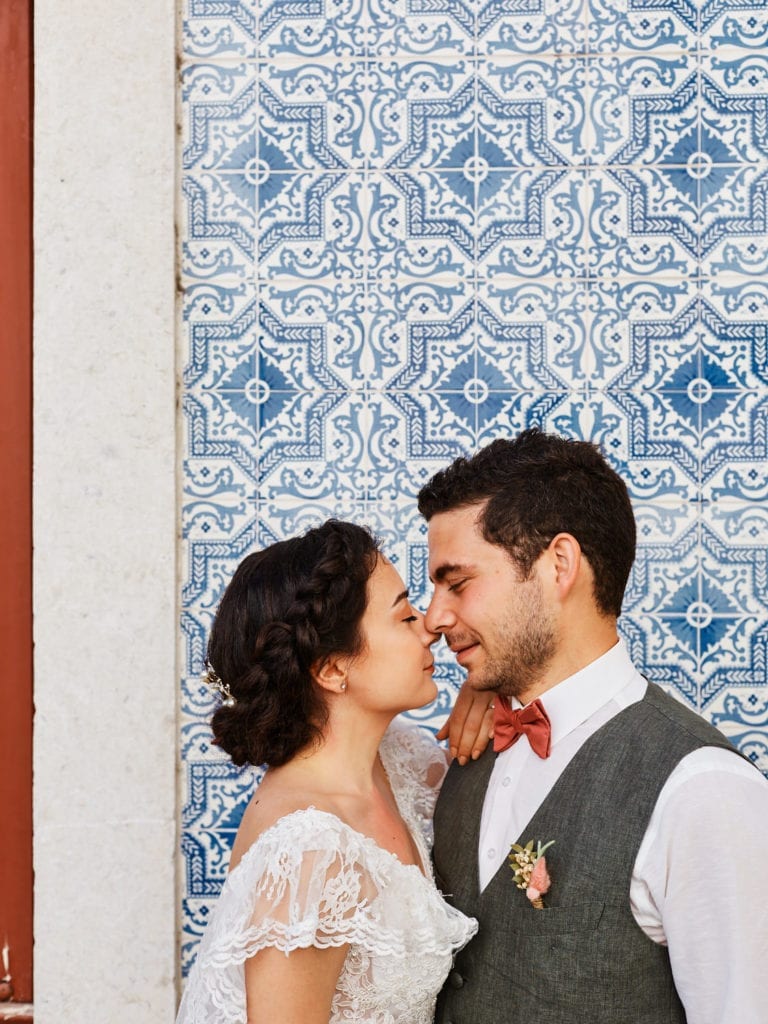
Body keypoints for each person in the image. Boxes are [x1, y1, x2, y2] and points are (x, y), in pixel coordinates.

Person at [418, 428, 768, 1024]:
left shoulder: (702, 789)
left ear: (559, 564)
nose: (435, 617)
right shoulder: (471, 749)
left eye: (459, 582)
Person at [175, 519, 491, 1024]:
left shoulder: (399, 764)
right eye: (403, 616)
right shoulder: (310, 854)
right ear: (332, 669)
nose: (429, 626)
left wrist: (491, 681)